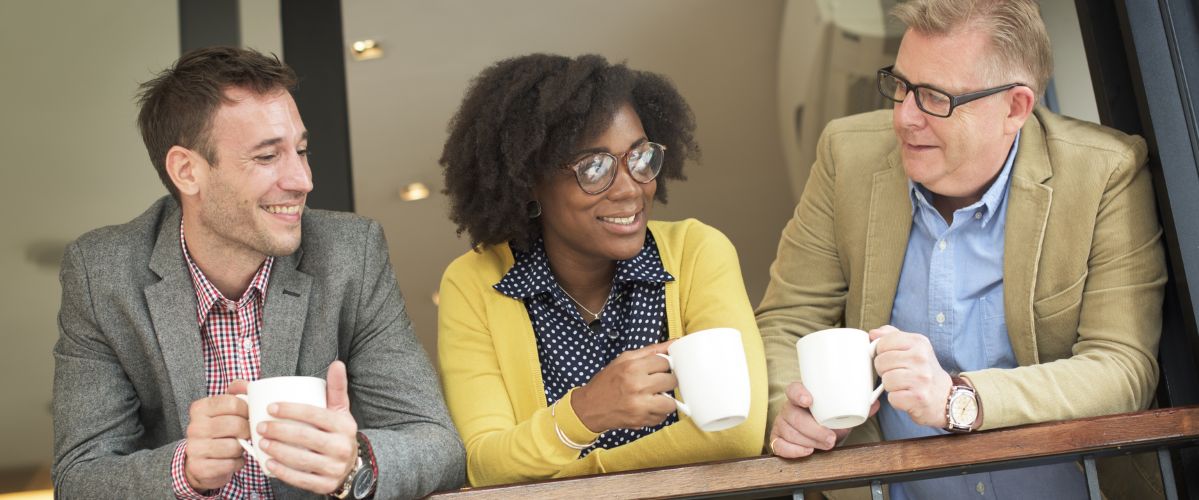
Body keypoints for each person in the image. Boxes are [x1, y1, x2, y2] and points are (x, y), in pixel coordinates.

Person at [757, 0, 1166, 498]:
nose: (905, 118)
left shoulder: (1105, 173)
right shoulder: (846, 155)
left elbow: (1122, 369)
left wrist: (958, 399)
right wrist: (790, 407)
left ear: (1014, 107)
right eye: (901, 86)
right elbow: (787, 322)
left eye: (933, 97)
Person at [52, 46, 465, 500]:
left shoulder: (352, 255)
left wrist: (355, 465)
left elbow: (439, 445)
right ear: (187, 171)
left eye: (301, 150)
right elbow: (80, 479)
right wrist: (183, 470)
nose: (303, 179)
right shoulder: (102, 274)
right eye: (268, 157)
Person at [436, 53, 768, 487]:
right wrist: (586, 411)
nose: (631, 188)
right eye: (594, 167)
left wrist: (585, 478)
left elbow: (735, 433)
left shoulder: (696, 252)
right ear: (529, 179)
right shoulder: (476, 283)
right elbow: (486, 465)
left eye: (640, 157)